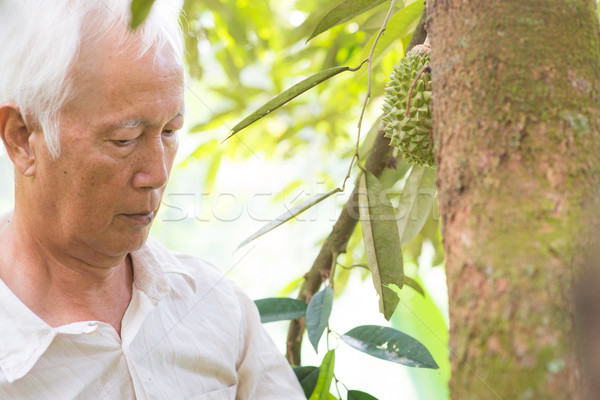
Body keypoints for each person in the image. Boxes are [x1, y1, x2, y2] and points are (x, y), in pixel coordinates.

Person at [0, 1, 306, 398]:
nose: (158, 174)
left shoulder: (218, 309)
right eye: (124, 140)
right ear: (23, 137)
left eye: (169, 132)